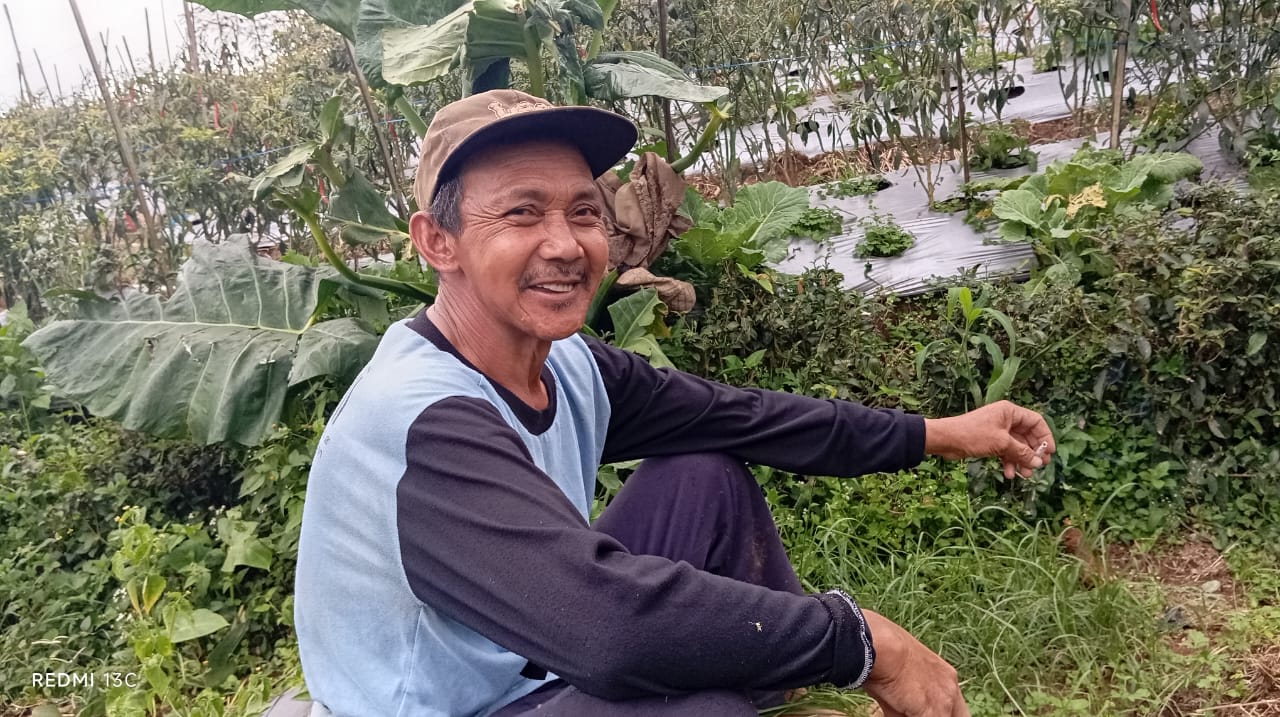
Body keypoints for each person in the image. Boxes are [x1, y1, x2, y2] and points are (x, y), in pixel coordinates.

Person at [293, 89, 1056, 717]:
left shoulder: (568, 365)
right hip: (453, 705)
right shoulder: (420, 421)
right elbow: (607, 627)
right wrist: (858, 641)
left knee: (704, 475)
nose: (565, 244)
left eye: (583, 211)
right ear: (438, 241)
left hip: (532, 665)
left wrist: (939, 432)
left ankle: (781, 697)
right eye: (522, 213)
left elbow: (743, 416)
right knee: (705, 711)